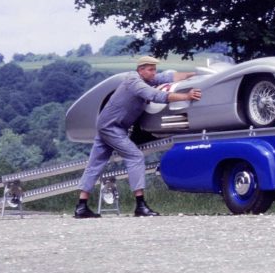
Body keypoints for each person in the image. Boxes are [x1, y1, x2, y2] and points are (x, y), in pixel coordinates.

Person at [74, 56, 202, 218]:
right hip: (111, 127)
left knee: (95, 164)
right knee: (135, 156)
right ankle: (140, 205)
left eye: (154, 69)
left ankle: (81, 207)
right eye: (150, 69)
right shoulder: (134, 82)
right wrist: (186, 96)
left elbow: (169, 77)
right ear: (140, 69)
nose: (154, 72)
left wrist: (194, 74)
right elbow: (156, 96)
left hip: (108, 124)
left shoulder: (148, 78)